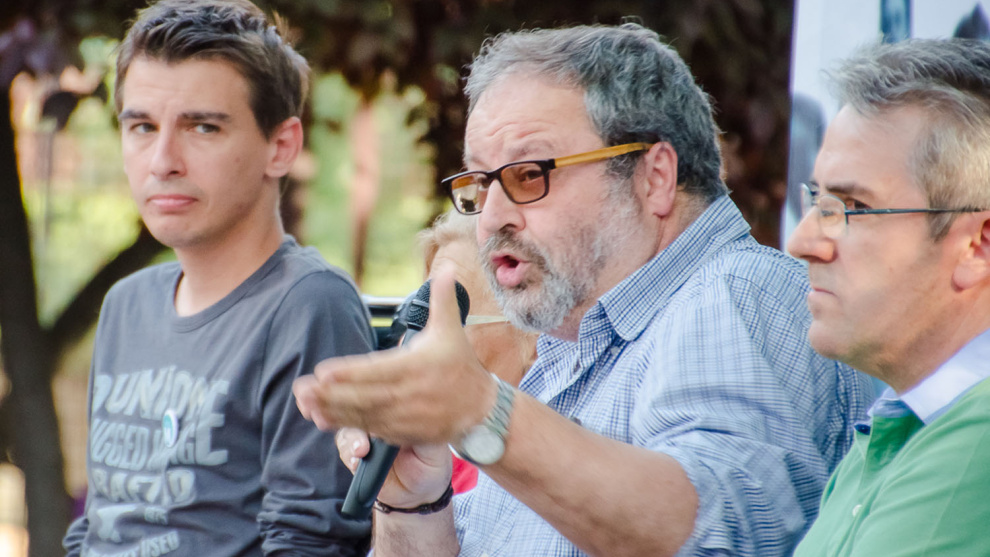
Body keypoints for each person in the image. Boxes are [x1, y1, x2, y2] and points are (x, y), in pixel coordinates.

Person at [294, 23, 872, 556]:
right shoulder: (566, 350)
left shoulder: (731, 293)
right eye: (480, 182)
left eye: (528, 175)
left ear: (655, 177)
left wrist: (480, 413)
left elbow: (720, 533)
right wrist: (415, 503)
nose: (490, 218)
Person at [62, 1, 375, 555]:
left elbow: (309, 543)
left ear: (281, 147)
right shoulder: (127, 305)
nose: (162, 160)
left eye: (203, 127)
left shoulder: (309, 305)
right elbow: (99, 525)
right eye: (142, 127)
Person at [789, 38, 990, 556]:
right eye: (817, 200)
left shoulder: (978, 441)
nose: (802, 242)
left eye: (852, 207)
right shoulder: (899, 423)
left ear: (977, 244)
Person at [419, 210, 539, 492]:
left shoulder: (532, 474)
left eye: (448, 320)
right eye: (422, 315)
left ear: (535, 337)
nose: (418, 342)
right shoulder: (425, 454)